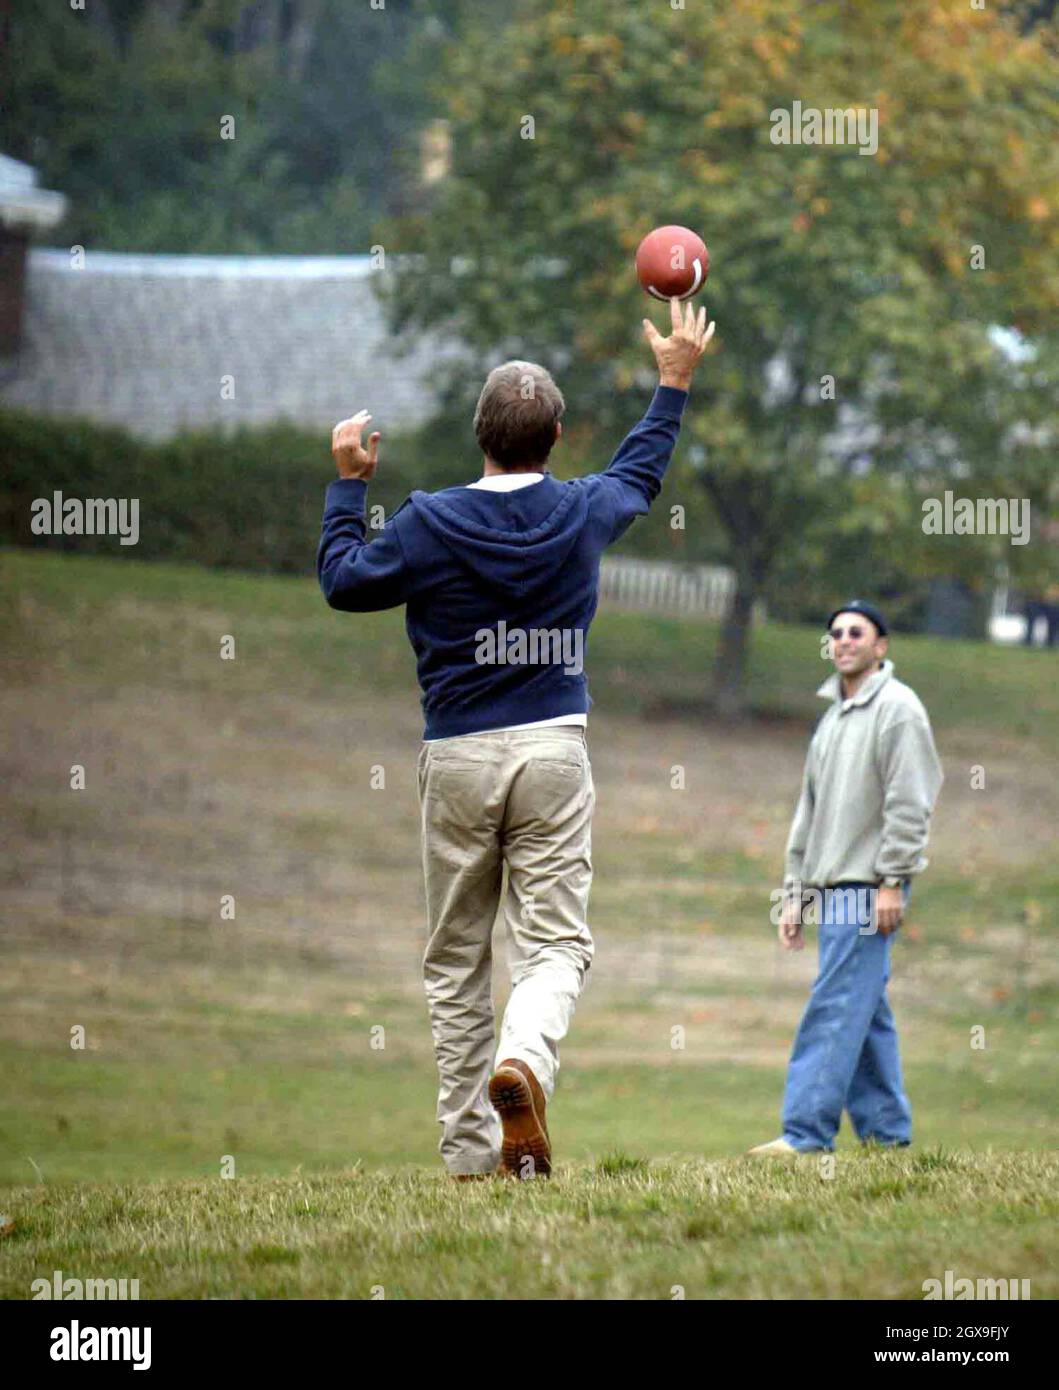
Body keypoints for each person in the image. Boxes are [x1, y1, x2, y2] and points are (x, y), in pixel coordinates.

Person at [318, 297, 714, 1179]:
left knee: (457, 958)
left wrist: (349, 487)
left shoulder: (425, 522)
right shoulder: (579, 512)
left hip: (455, 755)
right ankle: (524, 1065)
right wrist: (672, 383)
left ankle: (470, 1158)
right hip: (551, 754)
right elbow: (641, 475)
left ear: (478, 436)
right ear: (559, 435)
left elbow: (343, 584)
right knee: (557, 946)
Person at [749, 600, 943, 1157]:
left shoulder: (899, 711)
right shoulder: (832, 719)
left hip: (867, 889)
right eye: (835, 633)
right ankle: (888, 1137)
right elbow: (808, 814)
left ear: (881, 646)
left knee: (835, 1007)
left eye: (857, 633)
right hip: (832, 889)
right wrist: (795, 896)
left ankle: (805, 1135)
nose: (844, 640)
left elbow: (911, 802)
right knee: (863, 1013)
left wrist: (892, 881)